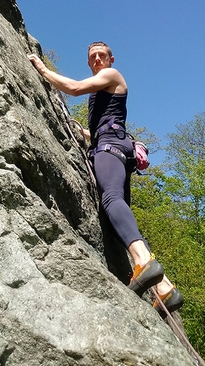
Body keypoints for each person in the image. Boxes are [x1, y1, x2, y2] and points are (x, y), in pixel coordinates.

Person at [28, 42, 183, 316]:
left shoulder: (111, 76)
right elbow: (105, 125)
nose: (97, 59)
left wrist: (41, 69)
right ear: (90, 62)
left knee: (110, 199)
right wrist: (84, 134)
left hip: (110, 148)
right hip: (115, 145)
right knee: (118, 219)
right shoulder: (103, 91)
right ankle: (165, 289)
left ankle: (144, 262)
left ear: (111, 59)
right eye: (92, 57)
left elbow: (74, 88)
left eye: (102, 55)